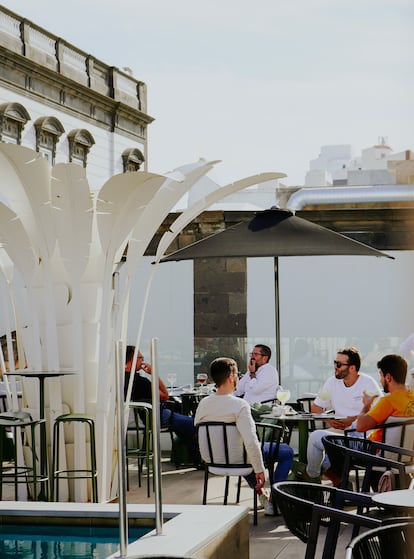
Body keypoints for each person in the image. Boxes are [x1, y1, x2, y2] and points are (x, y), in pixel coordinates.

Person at [195, 357, 294, 516]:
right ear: (230, 377)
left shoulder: (203, 403)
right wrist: (260, 470)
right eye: (237, 375)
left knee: (245, 452)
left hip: (212, 460)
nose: (239, 378)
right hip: (239, 458)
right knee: (286, 451)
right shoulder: (239, 405)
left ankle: (264, 497)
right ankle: (275, 500)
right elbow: (251, 441)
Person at [300, 347, 382, 485]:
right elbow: (316, 407)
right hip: (340, 432)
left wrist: (353, 419)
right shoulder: (332, 382)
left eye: (339, 364)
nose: (335, 367)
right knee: (314, 440)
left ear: (352, 368)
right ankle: (314, 479)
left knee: (322, 455)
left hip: (362, 437)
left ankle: (317, 481)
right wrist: (329, 420)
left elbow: (379, 413)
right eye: (334, 362)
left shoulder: (368, 383)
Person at [124, 345, 199, 464]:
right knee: (193, 423)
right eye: (140, 358)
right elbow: (165, 395)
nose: (143, 360)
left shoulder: (119, 379)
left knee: (181, 424)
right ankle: (198, 458)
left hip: (133, 420)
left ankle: (188, 457)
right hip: (153, 418)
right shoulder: (141, 382)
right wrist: (154, 373)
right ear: (132, 360)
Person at [356, 354, 414, 440]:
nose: (380, 380)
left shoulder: (388, 401)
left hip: (374, 449)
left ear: (388, 377)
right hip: (402, 451)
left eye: (381, 375)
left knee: (329, 437)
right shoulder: (411, 396)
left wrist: (367, 404)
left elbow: (360, 427)